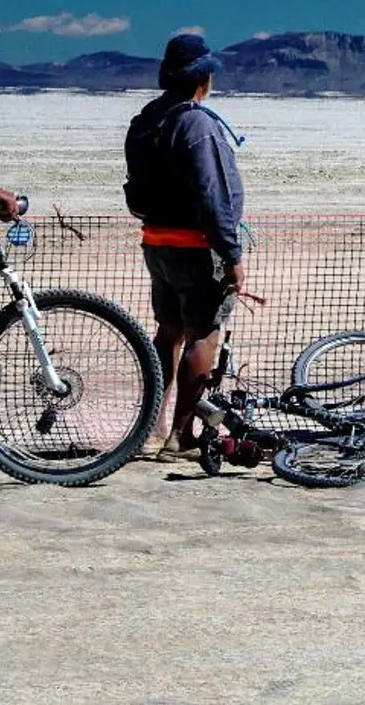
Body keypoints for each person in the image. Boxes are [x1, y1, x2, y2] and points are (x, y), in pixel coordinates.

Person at [124, 34, 246, 461]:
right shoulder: (197, 125)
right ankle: (181, 436)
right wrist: (231, 255)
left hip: (156, 242)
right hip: (196, 246)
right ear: (202, 79)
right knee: (203, 333)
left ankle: (149, 428)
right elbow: (213, 195)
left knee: (168, 331)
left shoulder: (147, 119)